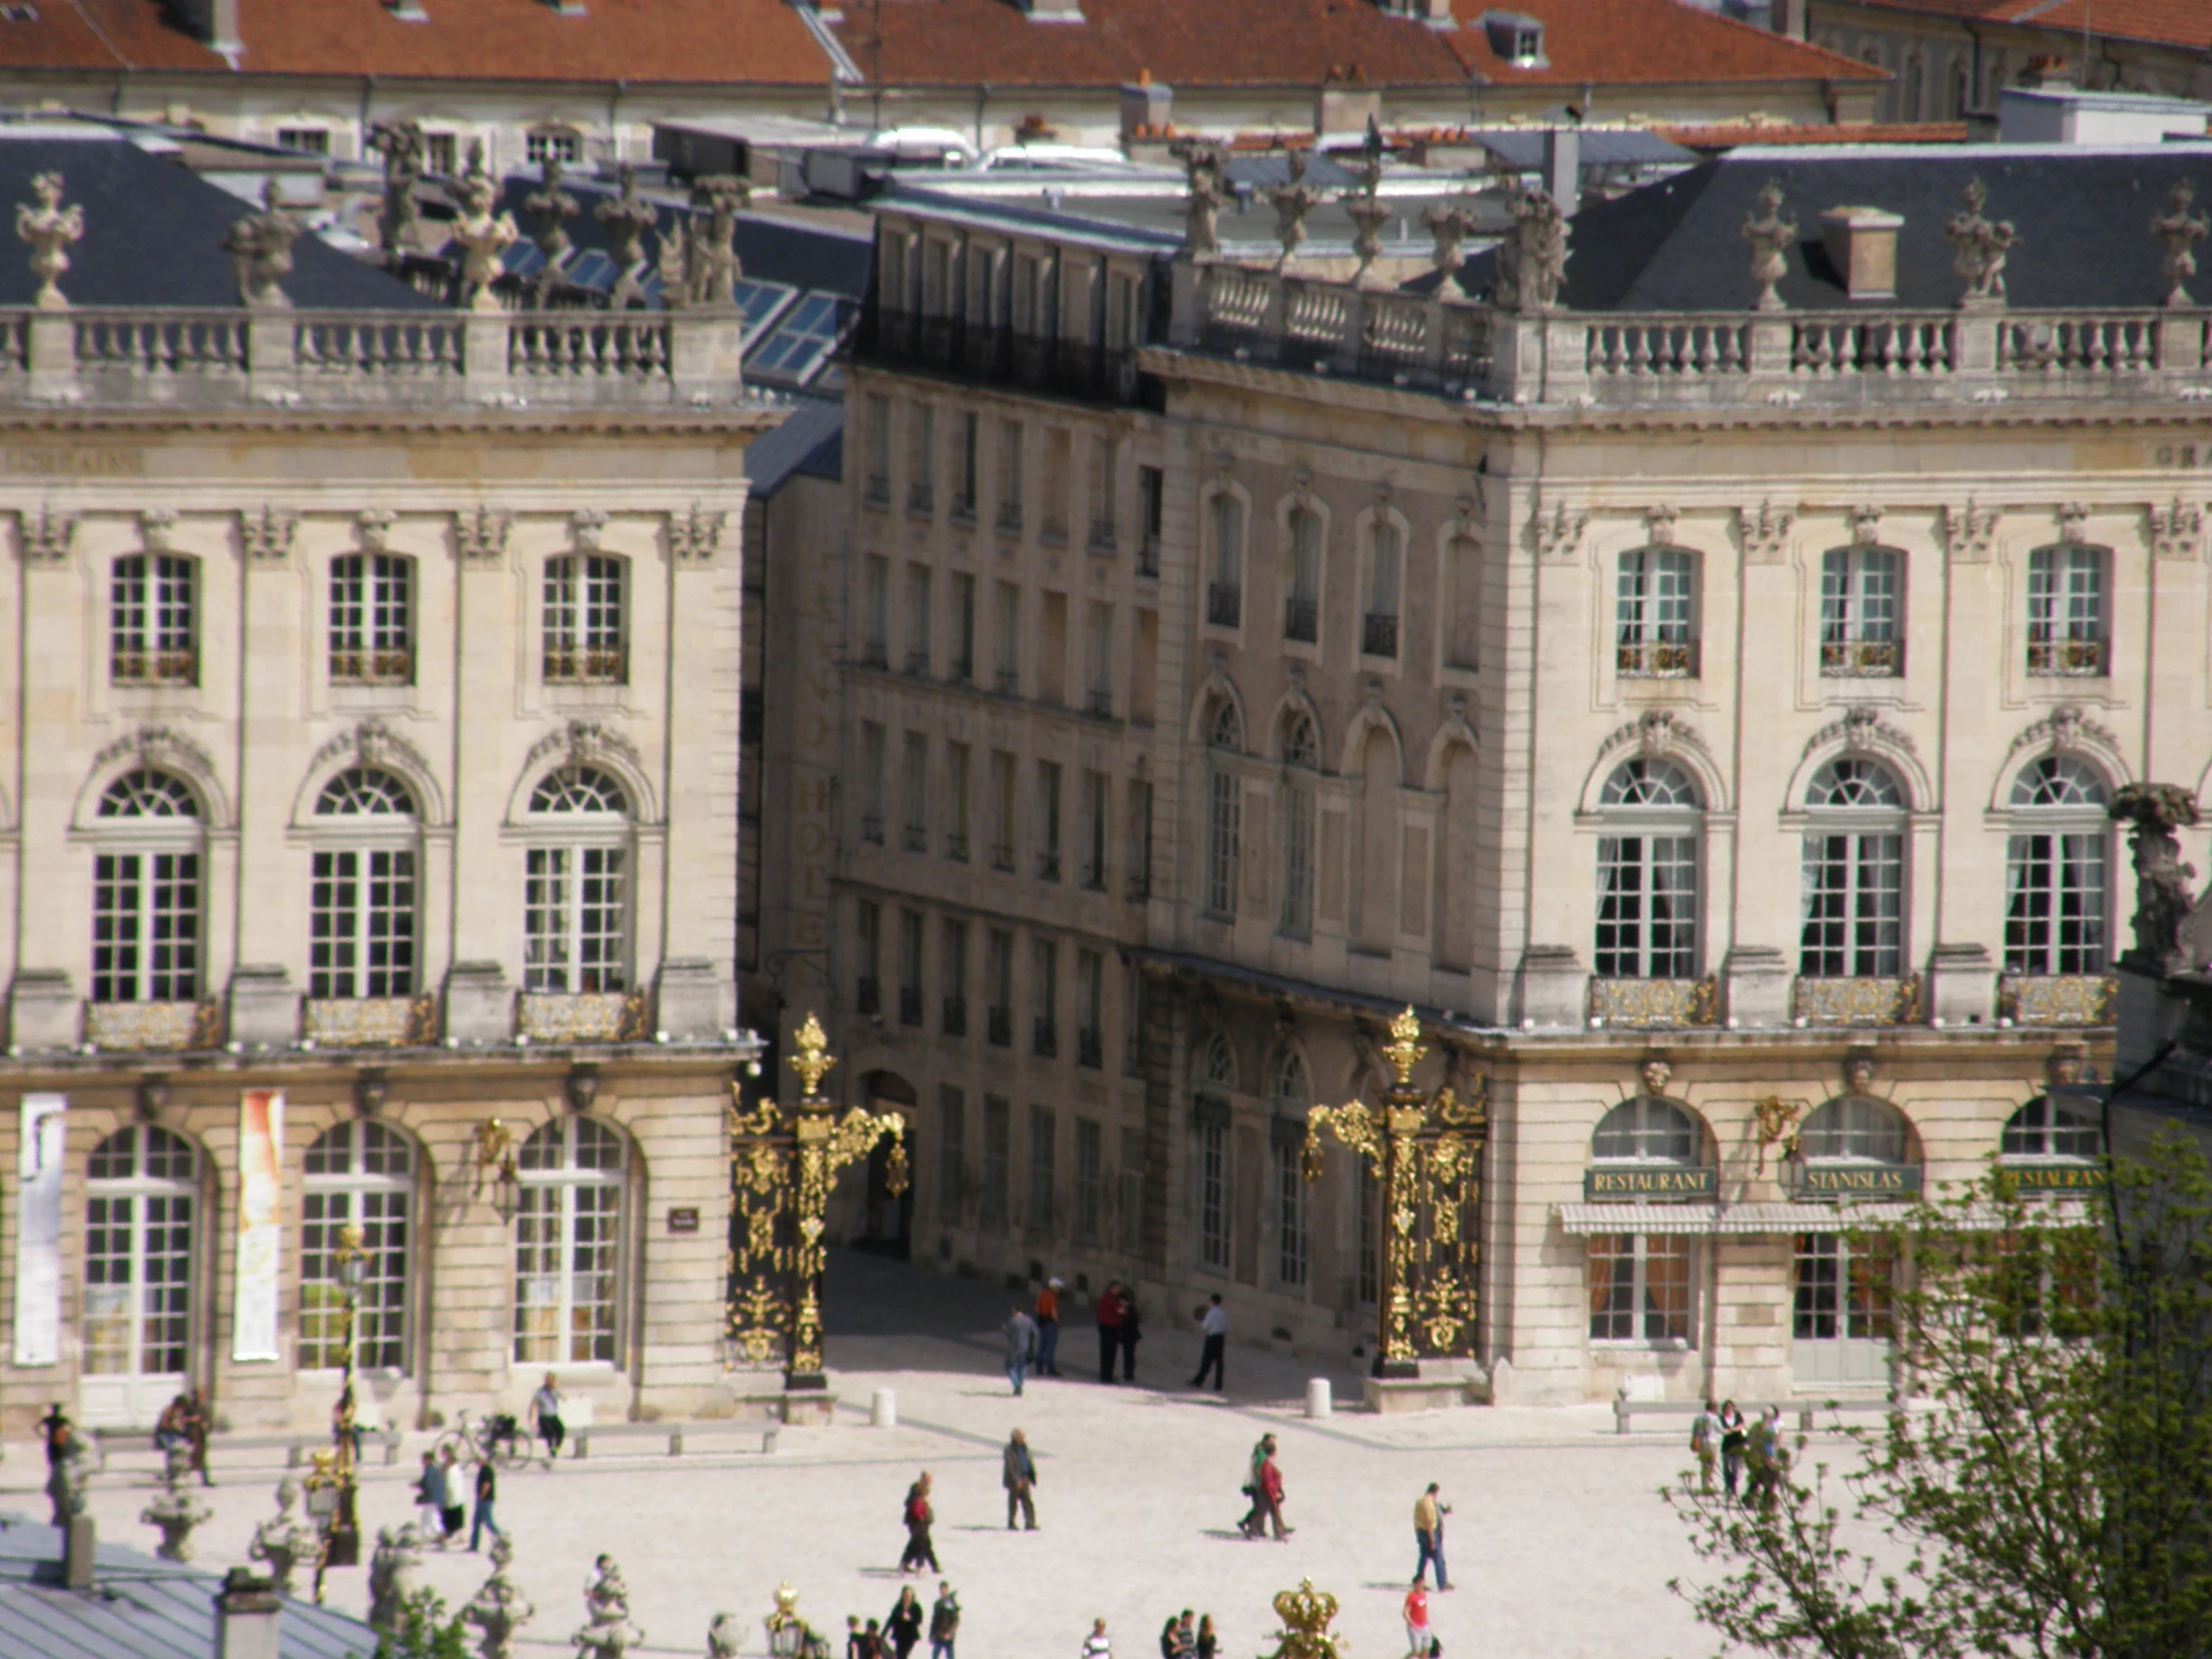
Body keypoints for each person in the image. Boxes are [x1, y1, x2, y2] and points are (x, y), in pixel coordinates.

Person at [899, 1472, 940, 1574]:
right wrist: (922, 1518)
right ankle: (922, 1565)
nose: (930, 1482)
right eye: (928, 1479)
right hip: (918, 1523)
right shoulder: (918, 1490)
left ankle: (906, 1563)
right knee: (922, 1544)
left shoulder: (921, 1490)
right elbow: (916, 1508)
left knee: (917, 1543)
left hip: (920, 1523)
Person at [1412, 1481, 1450, 1589]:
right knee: (1438, 1559)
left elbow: (1416, 1519)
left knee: (1423, 1558)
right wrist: (1432, 1540)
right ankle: (1442, 1583)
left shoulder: (1419, 1502)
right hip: (1430, 1533)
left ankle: (1419, 1581)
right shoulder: (1429, 1504)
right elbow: (1429, 1523)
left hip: (1420, 1532)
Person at [1747, 1404, 1786, 1509]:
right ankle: (1766, 1501)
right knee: (1770, 1480)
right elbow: (1768, 1446)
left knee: (1755, 1479)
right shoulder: (1768, 1429)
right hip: (1764, 1458)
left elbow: (1748, 1440)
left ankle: (1750, 1499)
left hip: (1753, 1457)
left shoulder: (1754, 1426)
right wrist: (1770, 1459)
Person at [1251, 1437, 1290, 1541]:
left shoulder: (1267, 1463)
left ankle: (1280, 1533)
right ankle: (1251, 1531)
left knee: (1274, 1512)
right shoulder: (1266, 1464)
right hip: (1267, 1493)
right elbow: (1268, 1481)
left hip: (1269, 1492)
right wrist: (1273, 1493)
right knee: (1261, 1513)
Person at [1190, 1294, 1228, 1390]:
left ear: (1212, 1302)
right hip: (1220, 1339)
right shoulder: (1223, 1313)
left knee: (1206, 1361)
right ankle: (1218, 1385)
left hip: (1211, 1338)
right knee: (1219, 1363)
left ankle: (1198, 1381)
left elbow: (1205, 1326)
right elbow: (1226, 1327)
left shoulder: (1211, 1313)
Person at [1003, 1428, 1038, 1530]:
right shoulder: (1010, 1450)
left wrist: (1031, 1476)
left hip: (1025, 1478)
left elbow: (1028, 1462)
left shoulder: (1024, 1448)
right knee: (1013, 1503)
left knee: (1027, 1502)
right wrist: (1016, 1479)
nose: (1022, 1439)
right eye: (1020, 1437)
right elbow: (1010, 1466)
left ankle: (1030, 1523)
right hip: (1015, 1481)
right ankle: (1011, 1523)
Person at [1237, 1433, 1272, 1536]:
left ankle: (1255, 1527)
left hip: (1256, 1484)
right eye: (1271, 1441)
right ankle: (1249, 1525)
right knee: (1260, 1507)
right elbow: (1258, 1469)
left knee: (1259, 1507)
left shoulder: (1259, 1453)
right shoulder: (1261, 1454)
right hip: (1257, 1485)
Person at [414, 1450, 449, 1548]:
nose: (422, 1461)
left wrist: (419, 1485)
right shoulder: (434, 1469)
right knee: (425, 1518)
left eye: (423, 1459)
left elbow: (428, 1484)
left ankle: (442, 1538)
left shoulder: (429, 1469)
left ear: (428, 1460)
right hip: (436, 1497)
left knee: (432, 1519)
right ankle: (423, 1538)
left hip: (432, 1498)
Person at [531, 1373, 566, 1467]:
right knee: (550, 1434)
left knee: (561, 1431)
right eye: (547, 1380)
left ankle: (555, 1450)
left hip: (553, 1416)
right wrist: (532, 1419)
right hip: (544, 1417)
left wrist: (556, 1388)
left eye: (551, 1380)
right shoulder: (540, 1392)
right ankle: (551, 1453)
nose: (549, 1382)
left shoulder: (555, 1390)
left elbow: (564, 1398)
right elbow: (533, 1404)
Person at [181, 1387, 214, 1487]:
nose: (200, 1398)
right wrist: (192, 1420)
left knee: (201, 1459)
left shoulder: (203, 1407)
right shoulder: (189, 1407)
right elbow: (183, 1419)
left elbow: (207, 1420)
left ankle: (205, 1480)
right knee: (192, 1459)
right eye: (198, 1395)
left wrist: (206, 1425)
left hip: (201, 1436)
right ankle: (182, 1477)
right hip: (192, 1435)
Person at [469, 1458, 503, 1552]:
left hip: (485, 1500)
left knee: (488, 1521)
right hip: (482, 1500)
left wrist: (481, 1496)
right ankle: (473, 1545)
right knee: (476, 1523)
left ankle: (500, 1536)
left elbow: (486, 1485)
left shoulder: (486, 1470)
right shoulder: (484, 1469)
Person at [1004, 1304, 1038, 1396]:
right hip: (1025, 1347)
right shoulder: (1028, 1320)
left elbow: (1008, 1334)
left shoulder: (1012, 1321)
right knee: (1022, 1366)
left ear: (1015, 1310)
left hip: (1014, 1347)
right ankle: (1020, 1385)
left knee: (1008, 1367)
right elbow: (1034, 1333)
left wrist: (1005, 1329)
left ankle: (1017, 1385)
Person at [1718, 1400, 1748, 1502]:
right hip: (1726, 1446)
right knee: (1726, 1467)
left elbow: (1742, 1426)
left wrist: (1733, 1429)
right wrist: (1732, 1430)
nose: (1729, 1409)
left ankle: (1733, 1486)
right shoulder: (1721, 1418)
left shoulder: (1737, 1416)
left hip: (1737, 1445)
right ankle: (1727, 1485)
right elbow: (1723, 1430)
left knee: (1735, 1468)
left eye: (1731, 1407)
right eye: (1727, 1407)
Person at [1095, 1283, 1124, 1382]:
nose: (1118, 1291)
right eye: (1117, 1289)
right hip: (1110, 1327)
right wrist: (1123, 1305)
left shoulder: (1104, 1297)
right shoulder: (1111, 1298)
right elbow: (1120, 1311)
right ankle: (1107, 1376)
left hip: (1104, 1326)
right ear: (1113, 1288)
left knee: (1105, 1352)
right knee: (1110, 1353)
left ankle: (1104, 1375)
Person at [1690, 1399, 1721, 1494]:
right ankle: (1708, 1485)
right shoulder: (1714, 1418)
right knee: (1711, 1464)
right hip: (1711, 1442)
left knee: (1704, 1465)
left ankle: (1704, 1485)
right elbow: (1720, 1429)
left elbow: (1694, 1430)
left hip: (1702, 1443)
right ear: (1713, 1408)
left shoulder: (1698, 1418)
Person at [885, 1585, 924, 1659]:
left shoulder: (916, 1606)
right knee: (898, 1654)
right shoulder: (898, 1606)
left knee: (903, 1654)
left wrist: (911, 1618)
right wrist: (884, 1633)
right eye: (905, 1595)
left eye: (909, 1595)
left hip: (910, 1635)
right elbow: (891, 1620)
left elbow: (919, 1620)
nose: (907, 1597)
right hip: (900, 1635)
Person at [1035, 1278, 1063, 1377]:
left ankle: (1038, 1368)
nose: (1058, 1289)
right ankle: (1050, 1368)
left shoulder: (1042, 1293)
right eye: (1058, 1287)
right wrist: (1057, 1322)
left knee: (1041, 1345)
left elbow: (1037, 1308)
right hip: (1050, 1322)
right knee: (1050, 1346)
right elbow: (1053, 1311)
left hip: (1041, 1321)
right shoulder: (1052, 1296)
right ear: (1053, 1287)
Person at [927, 1583, 960, 1659]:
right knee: (935, 1655)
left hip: (949, 1635)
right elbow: (934, 1621)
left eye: (944, 1589)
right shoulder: (937, 1604)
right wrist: (932, 1634)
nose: (943, 1591)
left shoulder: (952, 1603)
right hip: (939, 1634)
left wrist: (950, 1632)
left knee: (950, 1656)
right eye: (941, 1589)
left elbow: (955, 1620)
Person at [1403, 1583, 1435, 1659]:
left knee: (1426, 1649)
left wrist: (1427, 1621)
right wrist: (1411, 1623)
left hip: (1424, 1625)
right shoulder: (1411, 1596)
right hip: (1414, 1626)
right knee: (1416, 1651)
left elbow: (1423, 1609)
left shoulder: (1423, 1595)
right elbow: (1405, 1612)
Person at [38, 1402, 72, 1469]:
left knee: (53, 1458)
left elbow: (36, 1428)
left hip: (52, 1439)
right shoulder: (61, 1419)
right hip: (58, 1440)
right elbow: (72, 1428)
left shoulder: (49, 1419)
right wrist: (66, 1435)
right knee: (59, 1458)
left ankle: (55, 1471)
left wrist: (44, 1436)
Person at [1119, 1291, 1143, 1382]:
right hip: (1129, 1336)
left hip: (1130, 1336)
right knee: (1128, 1355)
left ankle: (1128, 1374)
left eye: (1121, 1300)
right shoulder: (1129, 1308)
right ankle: (1128, 1373)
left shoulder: (1130, 1309)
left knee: (1129, 1355)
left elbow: (1130, 1323)